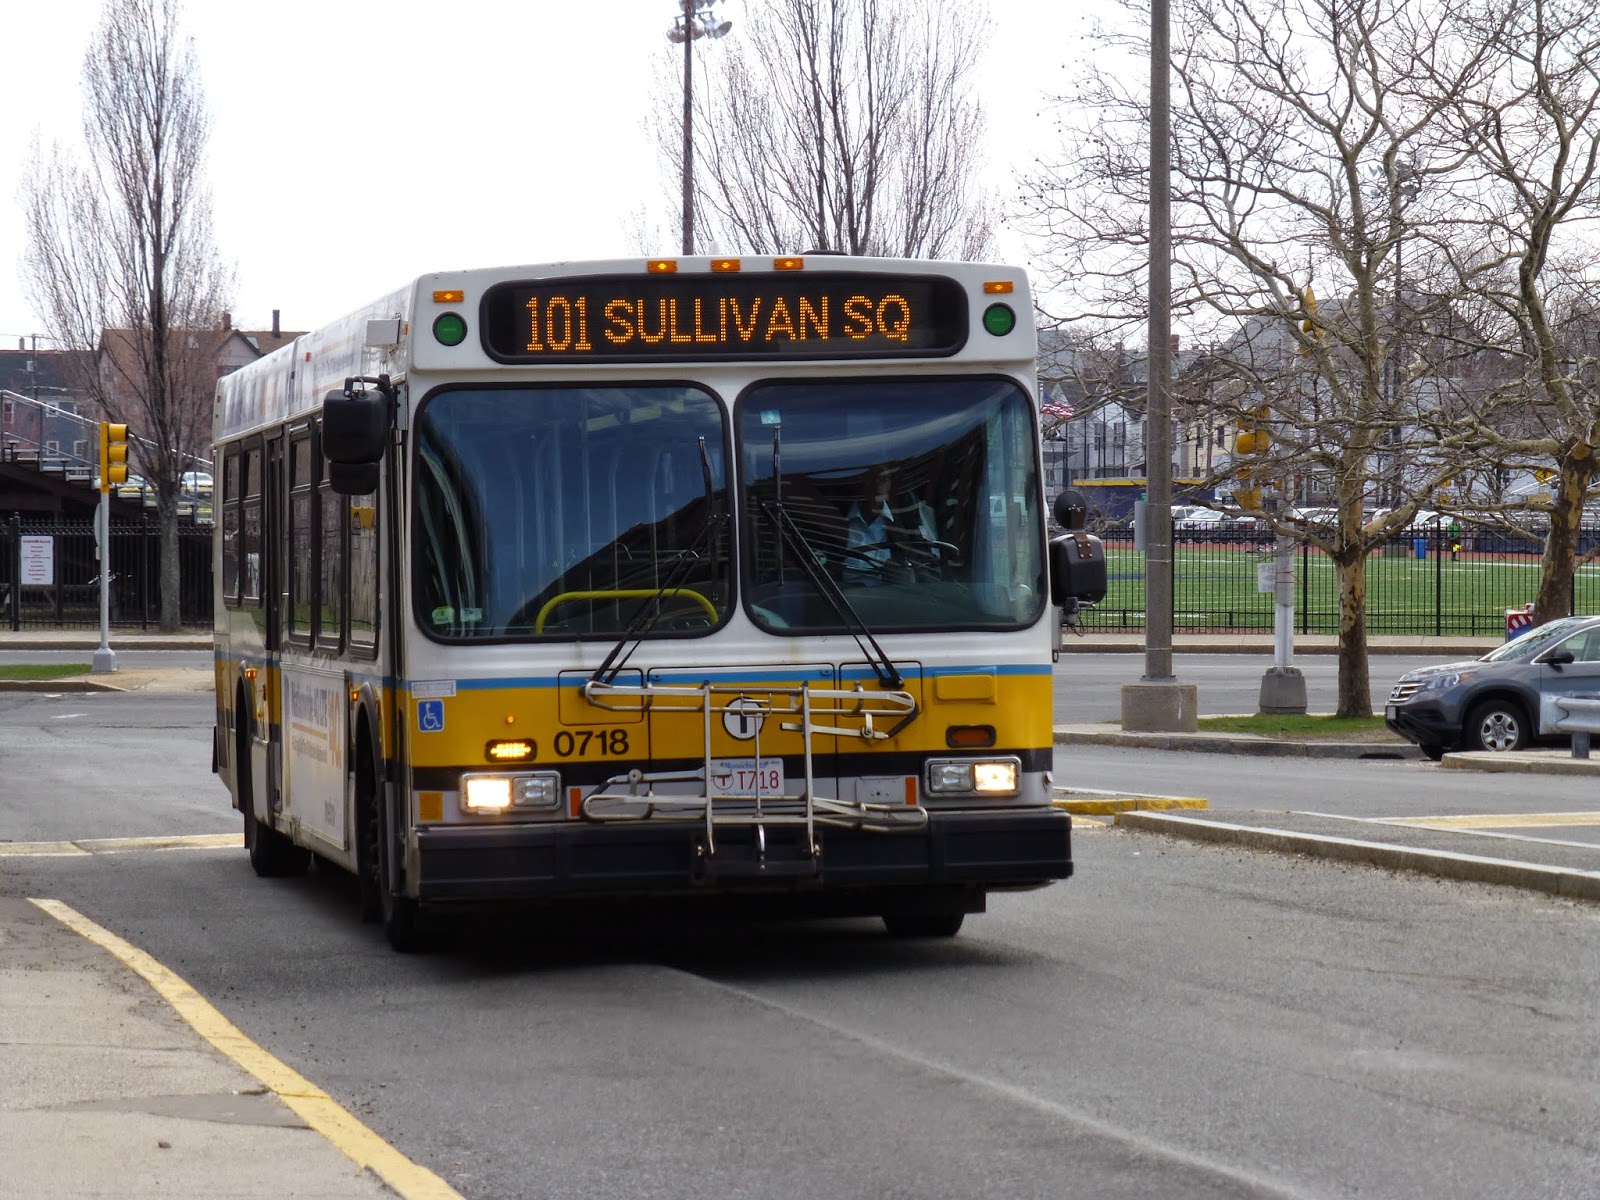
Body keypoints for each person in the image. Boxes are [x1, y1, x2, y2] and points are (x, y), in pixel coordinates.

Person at [842, 466, 939, 585]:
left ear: (891, 483)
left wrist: (901, 567)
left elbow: (927, 562)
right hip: (835, 598)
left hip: (893, 598)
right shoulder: (834, 516)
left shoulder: (905, 514)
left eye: (884, 479)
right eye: (872, 478)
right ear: (860, 480)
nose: (878, 485)